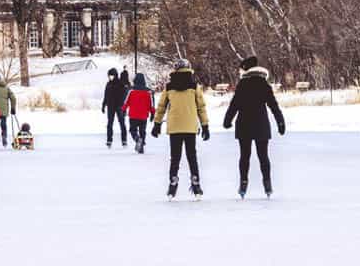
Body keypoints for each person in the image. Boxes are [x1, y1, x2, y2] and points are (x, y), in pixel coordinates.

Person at [223, 56, 285, 198]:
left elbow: (234, 105)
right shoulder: (264, 84)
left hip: (244, 124)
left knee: (245, 156)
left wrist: (227, 120)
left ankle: (243, 183)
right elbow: (273, 105)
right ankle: (267, 184)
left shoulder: (242, 84)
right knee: (263, 156)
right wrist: (280, 122)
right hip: (261, 124)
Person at [151, 58, 209, 199]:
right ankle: (196, 184)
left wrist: (157, 124)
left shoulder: (169, 87)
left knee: (175, 158)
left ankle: (173, 184)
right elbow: (201, 107)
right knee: (192, 157)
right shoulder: (195, 86)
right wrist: (205, 126)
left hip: (175, 127)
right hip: (190, 127)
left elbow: (161, 107)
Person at [121, 72, 155, 154]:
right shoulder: (148, 92)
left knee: (133, 130)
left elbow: (126, 102)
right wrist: (152, 114)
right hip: (143, 116)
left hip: (133, 115)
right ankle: (141, 148)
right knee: (142, 131)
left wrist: (123, 110)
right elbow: (151, 104)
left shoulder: (131, 91)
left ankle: (137, 139)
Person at [101, 67, 129, 148]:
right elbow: (106, 95)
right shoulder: (108, 84)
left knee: (122, 123)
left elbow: (125, 95)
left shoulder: (121, 83)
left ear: (115, 75)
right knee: (110, 124)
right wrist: (103, 105)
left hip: (119, 106)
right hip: (110, 106)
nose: (110, 77)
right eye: (109, 76)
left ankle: (124, 141)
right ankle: (109, 140)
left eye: (111, 76)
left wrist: (124, 106)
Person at [0, 74, 16, 147]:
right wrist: (13, 108)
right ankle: (4, 136)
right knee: (3, 122)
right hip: (4, 109)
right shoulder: (6, 87)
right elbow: (13, 98)